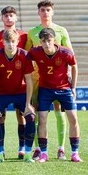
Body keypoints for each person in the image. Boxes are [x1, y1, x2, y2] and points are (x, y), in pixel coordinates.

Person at [25, 0, 73, 160]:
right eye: (42, 10)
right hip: (38, 80)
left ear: (52, 12)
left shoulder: (61, 31)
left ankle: (61, 148)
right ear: (38, 13)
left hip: (59, 80)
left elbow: (69, 53)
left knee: (59, 112)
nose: (45, 12)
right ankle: (39, 148)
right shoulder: (32, 32)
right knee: (39, 113)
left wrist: (69, 75)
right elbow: (26, 55)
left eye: (48, 10)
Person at [27, 28, 82, 163]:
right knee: (42, 119)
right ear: (40, 42)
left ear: (54, 40)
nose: (47, 44)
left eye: (49, 41)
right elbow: (24, 58)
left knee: (73, 119)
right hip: (45, 89)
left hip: (64, 89)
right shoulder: (35, 52)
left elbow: (74, 66)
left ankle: (74, 153)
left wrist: (73, 87)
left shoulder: (65, 52)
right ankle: (44, 153)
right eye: (44, 41)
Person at [0, 29, 35, 163]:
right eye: (8, 41)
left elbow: (29, 80)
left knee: (30, 116)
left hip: (20, 92)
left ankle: (27, 153)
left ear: (18, 42)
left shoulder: (25, 56)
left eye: (13, 41)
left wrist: (28, 104)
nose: (10, 44)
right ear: (3, 42)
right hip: (1, 93)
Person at [0, 6, 27, 159]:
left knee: (22, 115)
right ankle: (1, 150)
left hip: (20, 83)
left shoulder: (24, 35)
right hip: (1, 85)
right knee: (1, 116)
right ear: (2, 18)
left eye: (11, 15)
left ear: (16, 18)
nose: (8, 18)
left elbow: (27, 57)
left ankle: (22, 148)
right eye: (6, 15)